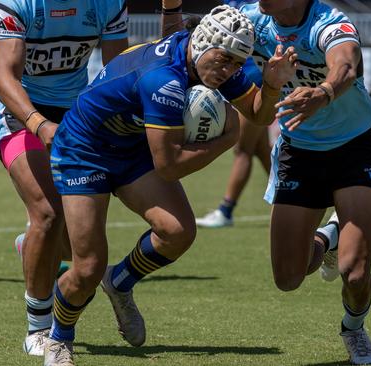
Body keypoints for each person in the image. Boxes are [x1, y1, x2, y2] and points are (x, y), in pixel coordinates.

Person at [43, 6, 298, 365]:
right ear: (205, 42)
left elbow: (259, 113)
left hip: (131, 146)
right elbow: (168, 166)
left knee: (178, 232)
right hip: (85, 149)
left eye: (237, 65)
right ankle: (59, 338)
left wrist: (270, 86)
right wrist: (226, 139)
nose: (228, 72)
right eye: (224, 61)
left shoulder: (216, 60)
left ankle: (120, 282)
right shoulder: (162, 79)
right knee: (86, 269)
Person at [242, 0, 371, 364]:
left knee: (355, 274)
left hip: (357, 147)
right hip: (300, 153)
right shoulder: (251, 19)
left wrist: (324, 93)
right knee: (288, 277)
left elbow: (346, 63)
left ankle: (354, 329)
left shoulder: (327, 22)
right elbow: (198, 36)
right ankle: (328, 236)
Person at [0, 0, 129, 356]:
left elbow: (116, 71)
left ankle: (33, 245)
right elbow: (5, 78)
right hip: (19, 114)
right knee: (47, 213)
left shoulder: (109, 4)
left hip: (75, 116)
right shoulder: (18, 3)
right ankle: (37, 328)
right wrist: (39, 124)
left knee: (79, 241)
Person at [195, 0, 273, 229]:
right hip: (240, 82)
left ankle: (226, 210)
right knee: (261, 151)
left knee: (242, 149)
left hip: (255, 86)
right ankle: (296, 199)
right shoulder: (231, 4)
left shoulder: (263, 7)